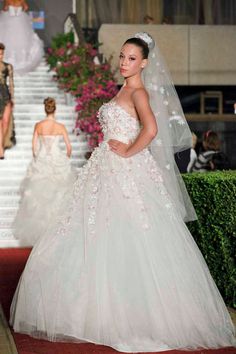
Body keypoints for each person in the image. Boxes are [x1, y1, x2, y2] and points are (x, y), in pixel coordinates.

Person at [10, 33, 235, 352]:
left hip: (126, 171)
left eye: (131, 58)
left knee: (126, 235)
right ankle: (95, 308)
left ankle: (130, 314)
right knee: (93, 232)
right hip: (106, 169)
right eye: (122, 57)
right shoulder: (125, 89)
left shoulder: (139, 91)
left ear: (144, 63)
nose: (124, 62)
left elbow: (152, 130)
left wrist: (129, 151)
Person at [12, 97, 76, 247]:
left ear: (45, 109)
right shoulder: (60, 127)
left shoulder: (38, 126)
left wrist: (38, 159)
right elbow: (69, 148)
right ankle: (56, 232)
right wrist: (64, 159)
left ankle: (40, 233)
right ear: (55, 109)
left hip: (42, 160)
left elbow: (33, 147)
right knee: (57, 194)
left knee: (38, 196)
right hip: (57, 160)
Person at [0, 0, 44, 75]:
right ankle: (21, 60)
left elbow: (5, 8)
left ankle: (9, 60)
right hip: (20, 20)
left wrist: (9, 9)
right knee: (22, 41)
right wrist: (19, 10)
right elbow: (26, 8)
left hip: (9, 20)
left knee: (8, 40)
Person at [0, 42, 14, 159]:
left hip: (5, 95)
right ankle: (0, 148)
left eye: (2, 54)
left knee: (5, 122)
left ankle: (2, 144)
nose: (0, 56)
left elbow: (11, 84)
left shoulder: (8, 66)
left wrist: (12, 98)